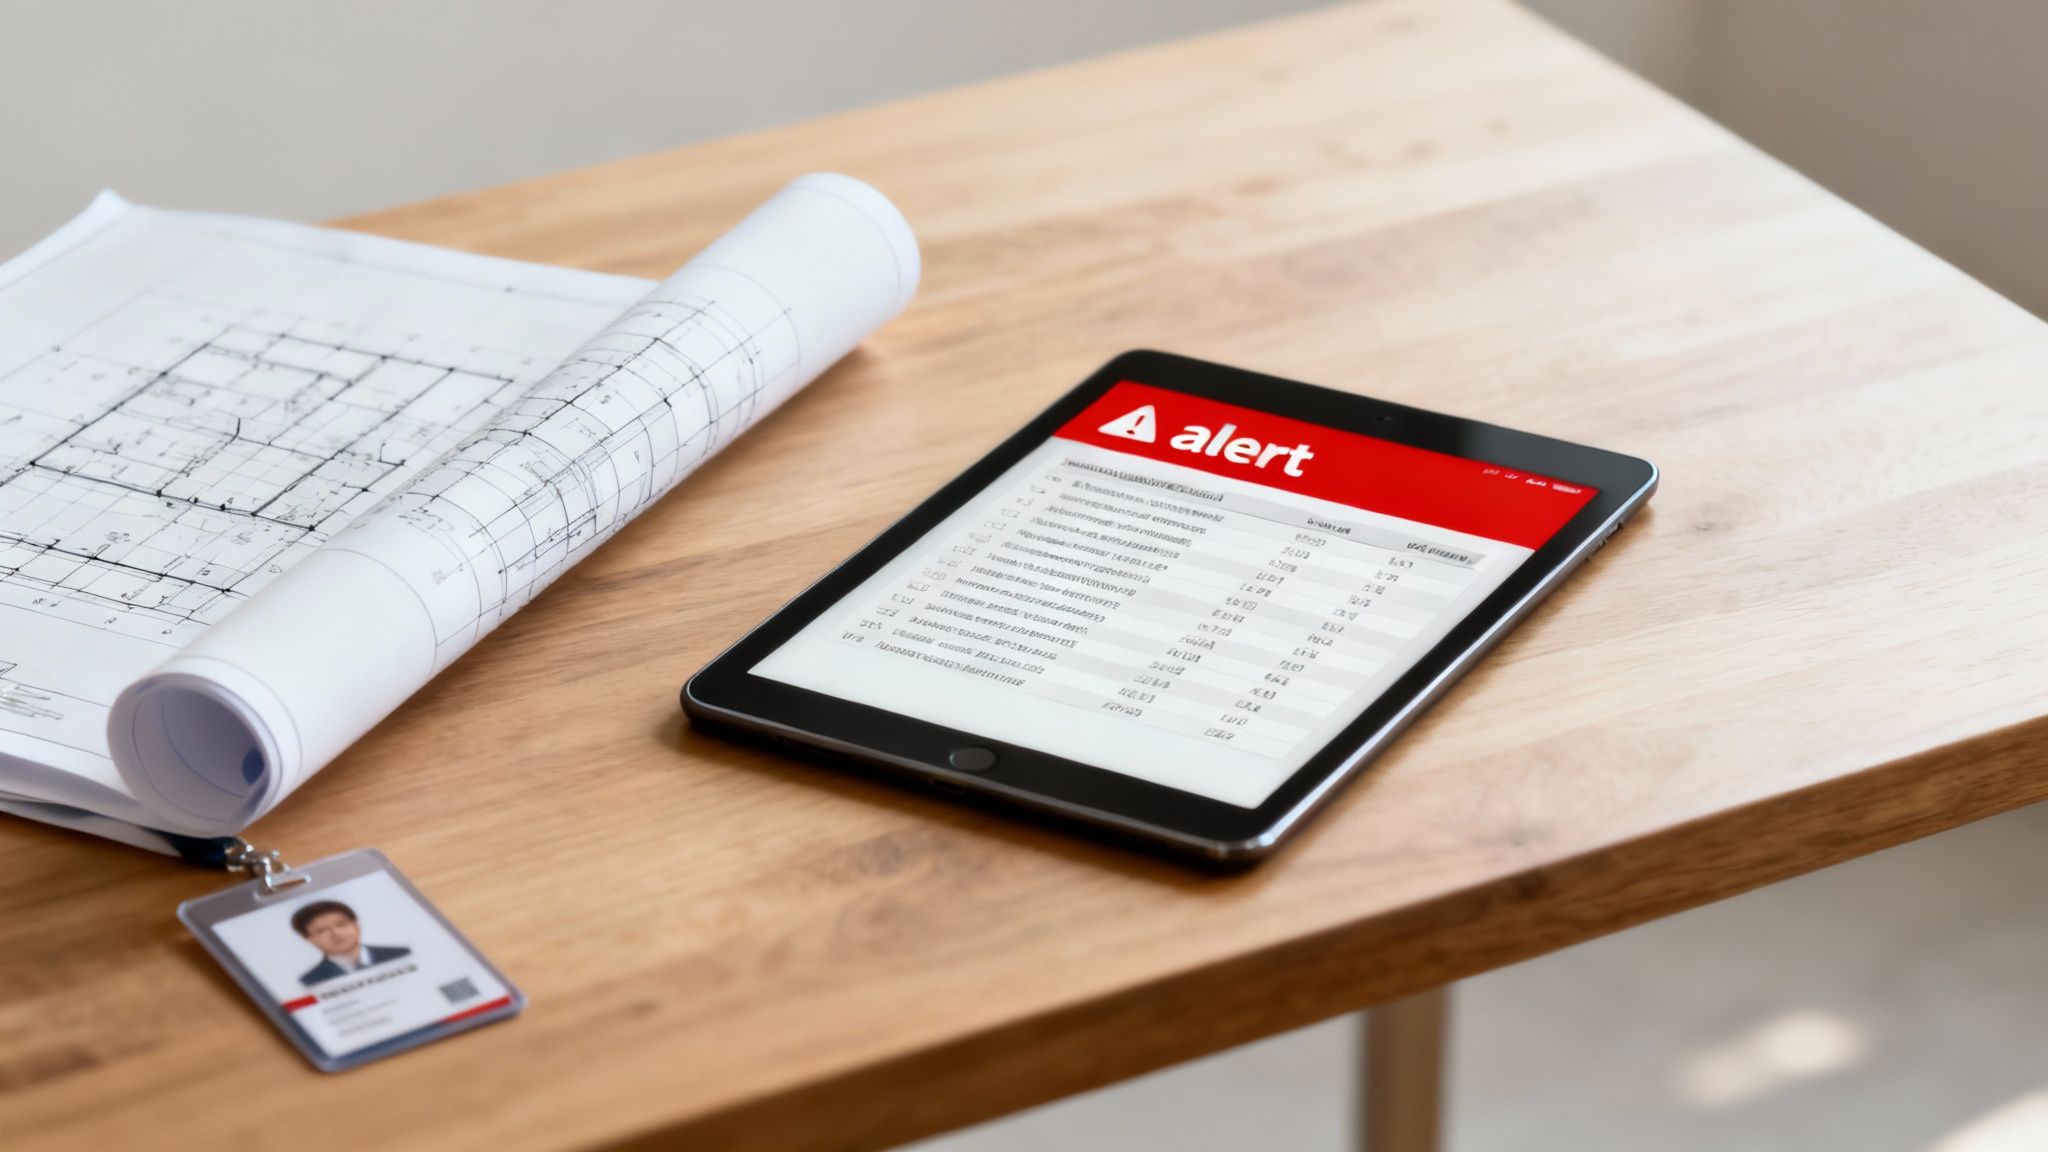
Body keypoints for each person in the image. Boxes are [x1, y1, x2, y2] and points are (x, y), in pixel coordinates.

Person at [291, 899, 411, 987]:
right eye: (321, 931)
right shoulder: (310, 982)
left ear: (356, 926)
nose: (335, 933)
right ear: (309, 939)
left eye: (341, 924)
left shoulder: (403, 954)